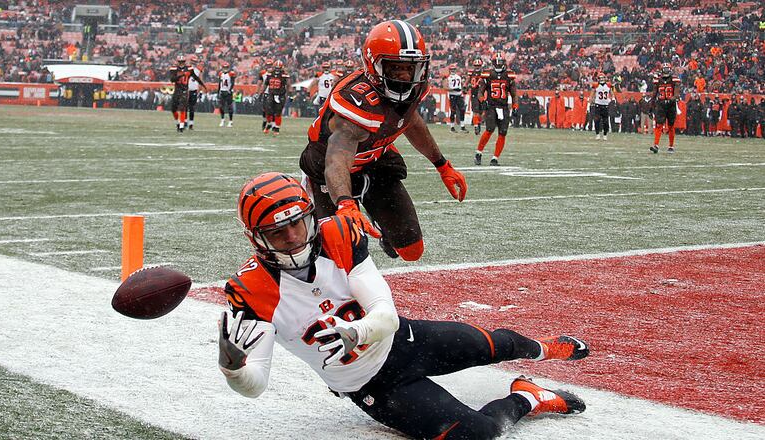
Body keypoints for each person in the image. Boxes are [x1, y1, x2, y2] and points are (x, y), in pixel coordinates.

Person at [218, 172, 589, 440]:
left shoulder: (337, 236)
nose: (293, 238)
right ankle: (528, 397)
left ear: (310, 215)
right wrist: (234, 370)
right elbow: (257, 384)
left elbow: (385, 313)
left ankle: (543, 351)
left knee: (496, 345)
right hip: (372, 385)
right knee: (479, 434)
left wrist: (356, 332)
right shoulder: (251, 290)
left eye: (298, 225)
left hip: (404, 339)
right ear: (255, 238)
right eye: (278, 233)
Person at [299, 20, 467, 261]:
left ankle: (384, 229)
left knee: (412, 250)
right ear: (373, 65)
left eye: (410, 68)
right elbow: (335, 162)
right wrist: (346, 204)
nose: (404, 75)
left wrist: (442, 165)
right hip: (327, 170)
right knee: (337, 258)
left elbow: (411, 121)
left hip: (376, 161)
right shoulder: (356, 100)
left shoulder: (414, 89)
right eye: (395, 67)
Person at [474, 52, 517, 166]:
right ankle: (478, 153)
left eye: (500, 63)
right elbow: (480, 92)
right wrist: (483, 100)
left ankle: (495, 158)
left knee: (503, 132)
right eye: (496, 64)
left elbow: (514, 94)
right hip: (491, 106)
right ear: (493, 63)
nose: (498, 66)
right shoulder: (488, 75)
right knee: (489, 129)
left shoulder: (509, 76)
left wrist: (515, 106)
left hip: (503, 107)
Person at [170, 55, 206, 133]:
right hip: (177, 90)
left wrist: (202, 86)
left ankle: (184, 125)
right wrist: (181, 75)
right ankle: (178, 123)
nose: (181, 63)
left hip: (186, 90)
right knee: (173, 109)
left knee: (186, 108)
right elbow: (172, 79)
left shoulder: (191, 69)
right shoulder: (174, 69)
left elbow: (197, 78)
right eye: (180, 62)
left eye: (182, 62)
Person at [650, 63, 680, 153]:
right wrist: (651, 106)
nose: (666, 71)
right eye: (665, 69)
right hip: (661, 104)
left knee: (671, 126)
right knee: (659, 125)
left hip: (671, 105)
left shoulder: (674, 79)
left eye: (667, 69)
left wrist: (671, 99)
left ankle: (671, 146)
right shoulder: (658, 80)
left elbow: (677, 94)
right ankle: (656, 145)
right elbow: (654, 93)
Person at [261, 60, 291, 135]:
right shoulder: (269, 74)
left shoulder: (284, 75)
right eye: (276, 68)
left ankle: (277, 128)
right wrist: (261, 93)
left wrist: (289, 94)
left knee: (278, 112)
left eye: (279, 68)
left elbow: (288, 85)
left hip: (280, 95)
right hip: (271, 94)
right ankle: (269, 124)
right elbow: (265, 85)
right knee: (268, 111)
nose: (277, 70)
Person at [588, 73, 614, 141]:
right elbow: (592, 94)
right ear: (598, 79)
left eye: (603, 78)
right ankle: (597, 134)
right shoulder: (596, 85)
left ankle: (605, 135)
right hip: (598, 105)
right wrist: (590, 101)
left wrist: (613, 99)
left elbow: (611, 93)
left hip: (605, 105)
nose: (602, 79)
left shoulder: (608, 85)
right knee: (597, 120)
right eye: (600, 78)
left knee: (605, 121)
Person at [444, 64, 467, 133]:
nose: (453, 71)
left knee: (462, 110)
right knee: (453, 111)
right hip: (452, 95)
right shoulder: (447, 77)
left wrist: (463, 89)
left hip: (459, 95)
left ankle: (462, 127)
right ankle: (452, 127)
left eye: (454, 69)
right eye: (451, 69)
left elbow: (461, 85)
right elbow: (445, 87)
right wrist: (454, 89)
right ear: (449, 70)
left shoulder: (458, 77)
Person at [256, 58, 274, 133]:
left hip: (273, 93)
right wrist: (258, 93)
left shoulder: (275, 73)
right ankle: (265, 121)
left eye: (270, 65)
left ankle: (272, 124)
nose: (269, 67)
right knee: (264, 110)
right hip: (265, 93)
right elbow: (259, 83)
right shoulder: (262, 73)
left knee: (273, 110)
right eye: (268, 65)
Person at [469, 57, 485, 135]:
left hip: (481, 94)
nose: (477, 67)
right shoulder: (471, 73)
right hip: (474, 94)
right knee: (476, 111)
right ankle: (476, 126)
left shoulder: (484, 73)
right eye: (476, 65)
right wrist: (465, 86)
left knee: (481, 112)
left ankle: (478, 123)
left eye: (478, 65)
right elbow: (467, 80)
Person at [217, 61, 236, 127]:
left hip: (228, 92)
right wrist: (218, 91)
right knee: (221, 106)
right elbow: (219, 83)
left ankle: (230, 121)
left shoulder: (231, 74)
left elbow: (233, 83)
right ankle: (222, 119)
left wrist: (229, 90)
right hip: (222, 91)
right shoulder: (220, 74)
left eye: (226, 67)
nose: (225, 69)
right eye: (224, 67)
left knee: (229, 107)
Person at [186, 56, 203, 130]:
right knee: (185, 107)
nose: (194, 63)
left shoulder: (199, 69)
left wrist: (201, 91)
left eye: (195, 62)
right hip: (186, 90)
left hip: (194, 90)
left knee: (192, 108)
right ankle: (185, 122)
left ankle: (191, 124)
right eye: (193, 61)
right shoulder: (186, 69)